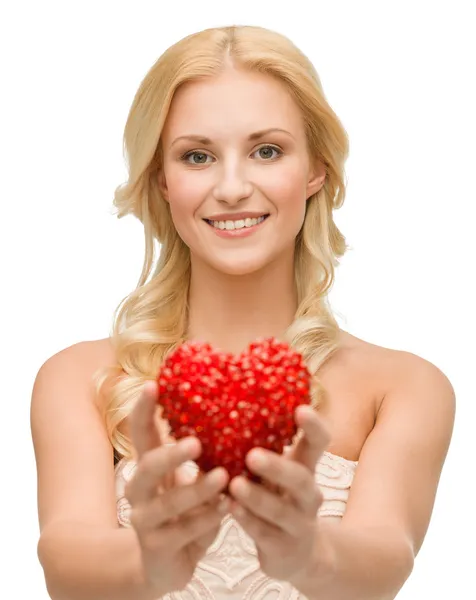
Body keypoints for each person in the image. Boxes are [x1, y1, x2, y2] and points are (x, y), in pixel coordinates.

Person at [30, 24, 456, 600]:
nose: (232, 187)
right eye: (197, 156)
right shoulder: (80, 378)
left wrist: (308, 554)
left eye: (266, 151)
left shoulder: (405, 386)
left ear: (315, 169)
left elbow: (386, 560)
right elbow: (66, 562)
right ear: (162, 179)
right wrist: (149, 562)